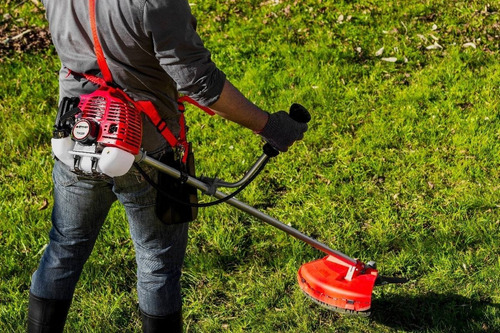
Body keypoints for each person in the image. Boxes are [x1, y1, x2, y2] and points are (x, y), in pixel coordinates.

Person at [29, 0, 307, 332]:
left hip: (75, 137)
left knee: (64, 248)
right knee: (157, 263)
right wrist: (269, 126)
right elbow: (199, 82)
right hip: (147, 152)